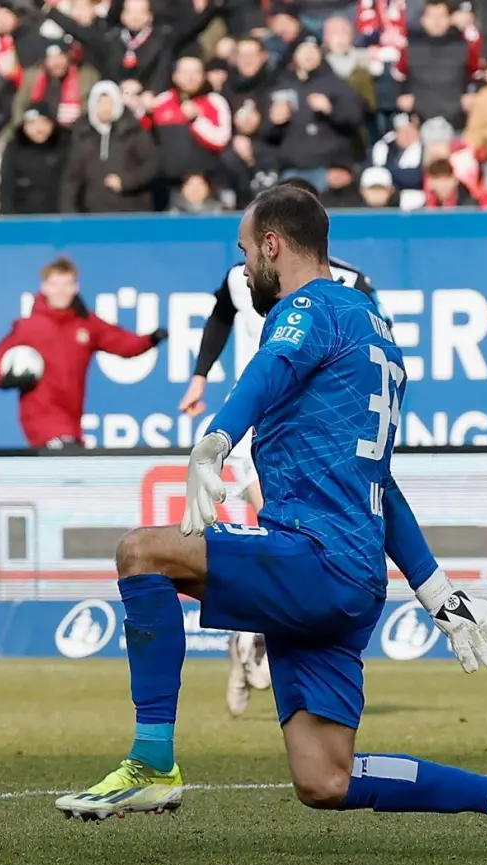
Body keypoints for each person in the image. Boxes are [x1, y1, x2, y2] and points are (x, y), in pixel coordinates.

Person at [53, 186, 487, 852]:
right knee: (325, 779)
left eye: (246, 251)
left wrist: (214, 439)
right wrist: (438, 595)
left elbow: (268, 369)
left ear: (274, 245)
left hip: (313, 556)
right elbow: (379, 483)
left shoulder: (310, 307)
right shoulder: (374, 331)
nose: (245, 267)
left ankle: (152, 762)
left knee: (142, 552)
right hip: (349, 578)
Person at [175, 176, 377, 716]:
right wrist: (200, 378)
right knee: (281, 535)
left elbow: (365, 352)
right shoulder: (241, 279)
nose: (244, 262)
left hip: (310, 429)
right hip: (252, 424)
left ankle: (250, 637)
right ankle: (256, 636)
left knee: (285, 541)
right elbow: (221, 317)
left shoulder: (351, 287)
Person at [0, 257, 166, 449]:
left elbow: (121, 342)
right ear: (44, 288)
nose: (60, 291)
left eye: (67, 284)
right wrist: (4, 380)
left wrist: (150, 339)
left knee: (70, 467)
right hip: (41, 418)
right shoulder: (29, 327)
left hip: (72, 420)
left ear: (76, 287)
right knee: (65, 453)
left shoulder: (86, 324)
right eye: (54, 284)